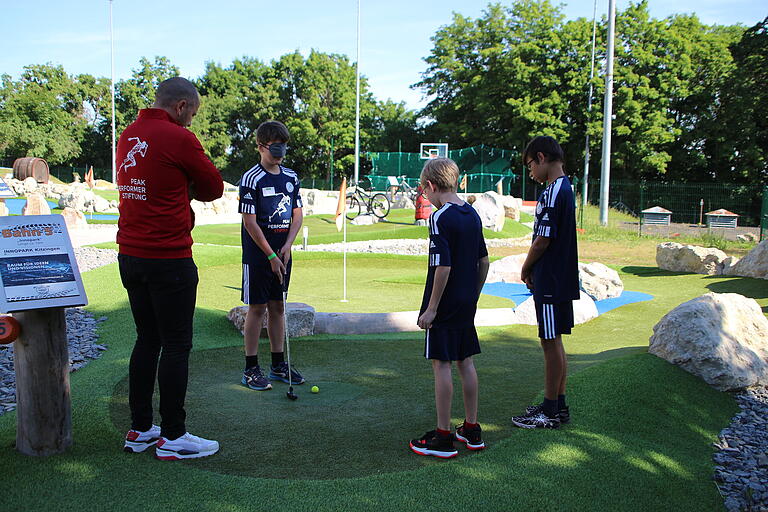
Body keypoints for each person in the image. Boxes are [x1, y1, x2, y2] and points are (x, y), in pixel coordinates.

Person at [118, 77, 224, 459]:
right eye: (192, 114)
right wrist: (186, 187)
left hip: (129, 255)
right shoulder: (179, 137)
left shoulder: (127, 134)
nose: (192, 121)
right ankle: (175, 437)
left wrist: (178, 186)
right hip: (168, 257)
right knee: (177, 344)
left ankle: (141, 429)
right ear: (181, 106)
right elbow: (214, 187)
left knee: (147, 340)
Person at [409, 157, 490, 458]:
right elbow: (484, 261)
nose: (425, 196)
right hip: (466, 301)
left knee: (441, 363)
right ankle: (472, 428)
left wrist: (431, 309)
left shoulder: (439, 217)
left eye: (423, 190)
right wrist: (474, 295)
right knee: (465, 361)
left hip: (443, 303)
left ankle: (443, 437)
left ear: (430, 186)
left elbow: (442, 266)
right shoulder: (472, 214)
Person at [512, 136, 579, 429]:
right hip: (559, 277)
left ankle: (550, 411)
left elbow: (543, 240)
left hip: (550, 279)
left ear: (541, 158)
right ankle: (557, 404)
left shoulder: (554, 191)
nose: (530, 173)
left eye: (530, 166)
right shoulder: (566, 188)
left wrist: (526, 269)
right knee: (555, 342)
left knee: (549, 343)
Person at [238, 121, 305, 391]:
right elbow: (250, 221)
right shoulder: (251, 178)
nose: (280, 151)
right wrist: (269, 255)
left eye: (284, 146)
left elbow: (297, 214)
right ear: (261, 146)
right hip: (258, 255)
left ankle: (278, 364)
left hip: (283, 253)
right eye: (275, 146)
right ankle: (250, 368)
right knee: (257, 308)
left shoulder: (290, 177)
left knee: (278, 306)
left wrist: (288, 245)